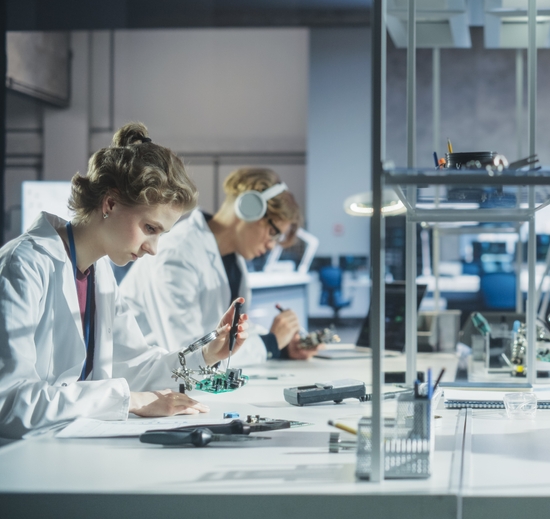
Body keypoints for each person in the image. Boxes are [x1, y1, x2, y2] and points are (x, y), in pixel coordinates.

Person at [0, 123, 248, 439]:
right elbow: (9, 401)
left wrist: (208, 354)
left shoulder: (99, 273)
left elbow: (136, 366)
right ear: (111, 204)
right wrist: (129, 400)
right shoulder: (24, 266)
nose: (153, 249)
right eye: (150, 228)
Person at [120, 167, 317, 364]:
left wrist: (283, 346)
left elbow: (227, 334)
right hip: (147, 380)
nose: (271, 245)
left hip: (190, 380)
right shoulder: (177, 254)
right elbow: (189, 352)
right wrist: (270, 344)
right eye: (273, 232)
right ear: (250, 209)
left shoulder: (233, 261)